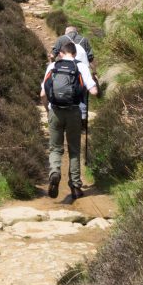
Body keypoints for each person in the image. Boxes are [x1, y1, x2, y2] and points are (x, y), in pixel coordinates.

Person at [41, 41, 98, 200]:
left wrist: (48, 110)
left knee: (55, 148)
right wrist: (93, 82)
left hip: (55, 112)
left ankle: (55, 173)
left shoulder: (52, 67)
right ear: (74, 53)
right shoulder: (81, 67)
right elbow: (93, 91)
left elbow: (42, 94)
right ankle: (75, 187)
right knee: (74, 149)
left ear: (61, 53)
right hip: (74, 112)